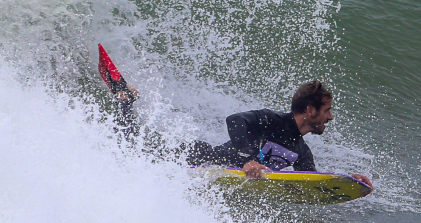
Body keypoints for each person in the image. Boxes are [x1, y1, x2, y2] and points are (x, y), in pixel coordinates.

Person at [115, 80, 373, 191]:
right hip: (200, 157)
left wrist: (349, 180)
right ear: (309, 110)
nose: (330, 117)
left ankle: (126, 100)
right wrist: (246, 160)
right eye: (326, 110)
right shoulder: (272, 120)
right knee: (132, 149)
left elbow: (310, 180)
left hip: (215, 172)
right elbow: (235, 120)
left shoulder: (300, 149)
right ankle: (125, 98)